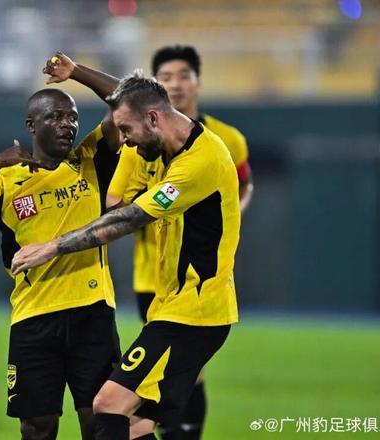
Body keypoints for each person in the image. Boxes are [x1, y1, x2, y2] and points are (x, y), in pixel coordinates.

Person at [11, 62, 241, 440]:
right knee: (133, 428)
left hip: (196, 313)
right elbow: (133, 100)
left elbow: (127, 219)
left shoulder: (201, 161)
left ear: (153, 119)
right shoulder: (156, 142)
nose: (124, 140)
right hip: (173, 306)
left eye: (127, 131)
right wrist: (76, 72)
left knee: (108, 404)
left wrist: (51, 247)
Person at [0, 85, 121, 440]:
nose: (68, 124)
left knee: (99, 419)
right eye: (55, 116)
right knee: (37, 426)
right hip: (33, 317)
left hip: (92, 311)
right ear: (31, 124)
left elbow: (126, 97)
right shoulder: (8, 178)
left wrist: (75, 73)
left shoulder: (90, 158)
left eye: (73, 117)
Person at [106, 44, 254, 439]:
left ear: (198, 82)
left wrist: (224, 214)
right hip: (153, 276)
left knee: (179, 376)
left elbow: (243, 185)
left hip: (197, 283)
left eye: (183, 75)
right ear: (157, 87)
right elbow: (116, 203)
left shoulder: (223, 141)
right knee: (156, 388)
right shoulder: (141, 141)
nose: (176, 84)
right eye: (166, 77)